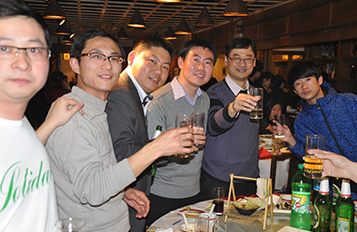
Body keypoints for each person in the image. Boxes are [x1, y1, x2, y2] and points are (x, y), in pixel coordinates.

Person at [45, 30, 196, 232]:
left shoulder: (95, 110)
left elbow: (96, 171)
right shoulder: (71, 115)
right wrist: (157, 148)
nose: (107, 65)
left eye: (114, 58)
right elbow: (93, 190)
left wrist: (122, 192)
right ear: (75, 64)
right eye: (96, 56)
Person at [0, 1, 84, 231]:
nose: (22, 62)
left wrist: (51, 123)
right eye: (5, 48)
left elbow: (18, 160)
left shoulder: (18, 122)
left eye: (34, 49)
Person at [105, 34, 174, 232]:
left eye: (165, 67)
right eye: (152, 61)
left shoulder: (136, 93)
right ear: (132, 58)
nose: (158, 71)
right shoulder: (121, 93)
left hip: (130, 193)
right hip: (122, 201)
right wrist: (162, 146)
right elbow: (121, 152)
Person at [145, 39, 217, 226]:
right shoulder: (159, 101)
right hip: (162, 194)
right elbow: (149, 153)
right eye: (196, 60)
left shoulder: (205, 99)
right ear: (180, 62)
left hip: (194, 192)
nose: (201, 67)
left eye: (208, 63)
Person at [276, 60, 357, 199]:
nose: (304, 86)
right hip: (331, 187)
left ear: (319, 80)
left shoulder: (349, 102)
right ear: (295, 91)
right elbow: (308, 155)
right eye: (298, 84)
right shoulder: (301, 120)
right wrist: (291, 140)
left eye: (308, 79)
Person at [200, 37, 261, 201]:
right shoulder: (214, 93)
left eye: (248, 58)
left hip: (249, 177)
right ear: (227, 60)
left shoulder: (256, 93)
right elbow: (213, 125)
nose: (242, 63)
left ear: (254, 62)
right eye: (236, 58)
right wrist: (233, 108)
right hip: (218, 178)